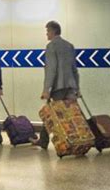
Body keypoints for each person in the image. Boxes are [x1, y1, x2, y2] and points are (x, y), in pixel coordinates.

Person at [34, 21, 80, 149]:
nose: (46, 34)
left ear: (53, 31)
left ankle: (44, 141)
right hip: (71, 86)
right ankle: (77, 139)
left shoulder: (51, 47)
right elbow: (74, 69)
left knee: (51, 114)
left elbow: (51, 70)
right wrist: (77, 88)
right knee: (72, 115)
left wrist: (46, 89)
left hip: (58, 87)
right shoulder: (69, 46)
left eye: (47, 31)